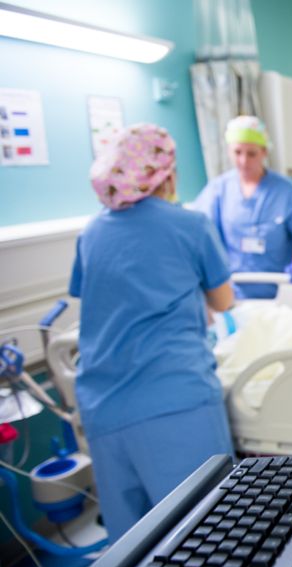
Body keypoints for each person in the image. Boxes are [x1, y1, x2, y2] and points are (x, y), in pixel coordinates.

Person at [70, 123, 235, 542]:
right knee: (205, 537)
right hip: (174, 403)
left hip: (103, 409)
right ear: (166, 174)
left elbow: (99, 297)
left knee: (133, 550)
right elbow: (223, 301)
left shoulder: (92, 232)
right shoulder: (189, 225)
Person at [194, 115, 292, 299]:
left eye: (251, 153)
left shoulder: (286, 190)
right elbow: (203, 236)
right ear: (229, 151)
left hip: (279, 290)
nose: (244, 161)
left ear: (264, 152)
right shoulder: (218, 190)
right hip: (232, 291)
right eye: (237, 152)